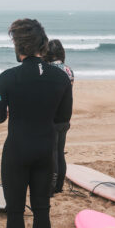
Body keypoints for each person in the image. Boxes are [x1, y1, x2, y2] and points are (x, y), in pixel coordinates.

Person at [0, 19, 72, 228]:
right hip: (45, 151)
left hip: (16, 151)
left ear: (19, 46)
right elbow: (63, 117)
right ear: (42, 45)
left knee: (14, 211)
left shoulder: (6, 78)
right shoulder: (61, 78)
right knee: (42, 209)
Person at [46, 39, 74, 195]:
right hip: (65, 115)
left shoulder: (50, 70)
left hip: (53, 116)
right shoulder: (69, 70)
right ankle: (59, 186)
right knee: (60, 151)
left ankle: (51, 186)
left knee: (52, 153)